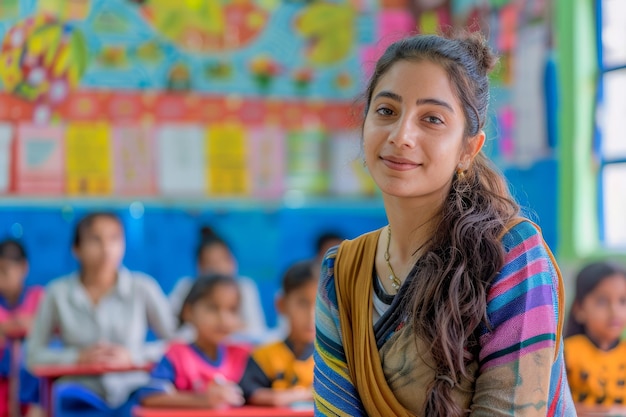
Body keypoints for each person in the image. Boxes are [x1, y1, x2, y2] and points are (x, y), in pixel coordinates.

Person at [313, 32, 576, 416]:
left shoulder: (511, 253)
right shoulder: (342, 271)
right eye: (386, 111)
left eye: (432, 119)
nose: (401, 136)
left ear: (469, 148)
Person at [26, 212, 176, 417]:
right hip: (78, 394)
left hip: (135, 392)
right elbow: (33, 355)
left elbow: (177, 344)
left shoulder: (142, 287)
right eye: (95, 239)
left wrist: (133, 356)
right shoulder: (56, 293)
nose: (107, 249)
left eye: (114, 239)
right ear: (76, 249)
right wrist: (77, 358)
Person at [137, 273, 248, 409]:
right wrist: (203, 400)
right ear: (189, 312)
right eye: (212, 308)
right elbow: (150, 397)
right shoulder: (177, 356)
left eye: (232, 310)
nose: (223, 318)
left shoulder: (243, 356)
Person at [169, 226, 267, 344]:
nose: (220, 268)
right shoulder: (187, 286)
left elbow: (257, 330)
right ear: (200, 267)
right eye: (212, 263)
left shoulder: (244, 286)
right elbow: (170, 328)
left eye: (232, 310)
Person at [239, 259, 316, 407]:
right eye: (302, 303)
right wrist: (305, 394)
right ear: (282, 304)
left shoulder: (333, 360)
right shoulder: (263, 356)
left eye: (321, 304)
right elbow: (251, 393)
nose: (312, 314)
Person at [564, 261, 626, 416]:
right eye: (602, 301)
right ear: (579, 309)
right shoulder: (567, 352)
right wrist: (607, 412)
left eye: (623, 301)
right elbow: (557, 407)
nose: (615, 311)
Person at [0, 240, 44, 417]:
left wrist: (33, 325)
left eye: (4, 271)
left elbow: (57, 333)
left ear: (23, 267)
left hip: (34, 392)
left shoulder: (40, 298)